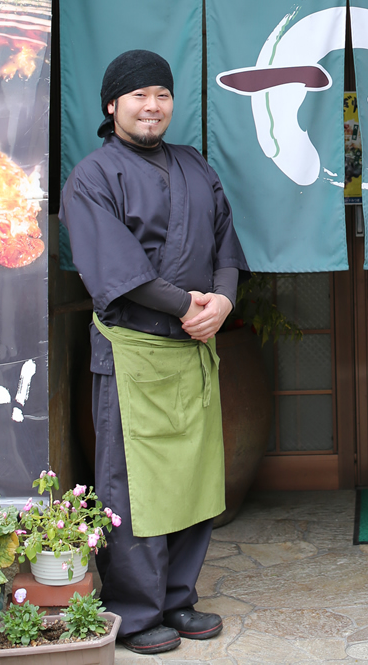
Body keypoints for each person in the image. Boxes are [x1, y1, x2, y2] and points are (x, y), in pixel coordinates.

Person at [60, 49, 249, 656]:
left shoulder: (195, 165)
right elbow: (117, 269)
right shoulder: (92, 176)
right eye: (138, 95)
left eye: (161, 95)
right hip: (133, 352)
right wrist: (191, 307)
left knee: (192, 477)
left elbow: (226, 241)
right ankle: (135, 612)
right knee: (132, 484)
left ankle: (177, 599)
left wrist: (222, 299)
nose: (152, 106)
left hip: (192, 345)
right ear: (112, 105)